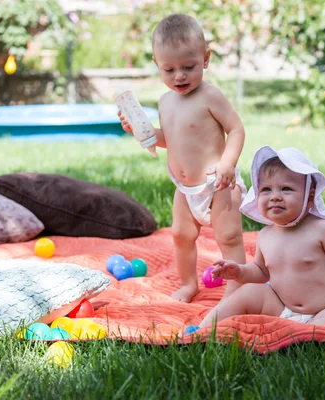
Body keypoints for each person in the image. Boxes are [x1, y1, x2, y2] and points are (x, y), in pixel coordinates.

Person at [119, 14, 247, 303]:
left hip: (218, 184)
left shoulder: (210, 96)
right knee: (181, 235)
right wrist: (143, 132)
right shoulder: (165, 102)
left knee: (228, 237)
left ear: (205, 58)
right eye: (170, 69)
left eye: (188, 67)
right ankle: (189, 284)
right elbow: (171, 140)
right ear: (157, 64)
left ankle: (236, 288)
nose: (179, 76)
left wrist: (228, 163)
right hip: (185, 188)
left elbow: (236, 129)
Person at [199, 146, 325, 328]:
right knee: (248, 291)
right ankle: (203, 328)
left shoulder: (322, 230)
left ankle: (304, 335)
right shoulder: (266, 236)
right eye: (266, 190)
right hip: (282, 307)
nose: (275, 197)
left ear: (309, 197)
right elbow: (261, 272)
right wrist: (239, 272)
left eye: (286, 189)